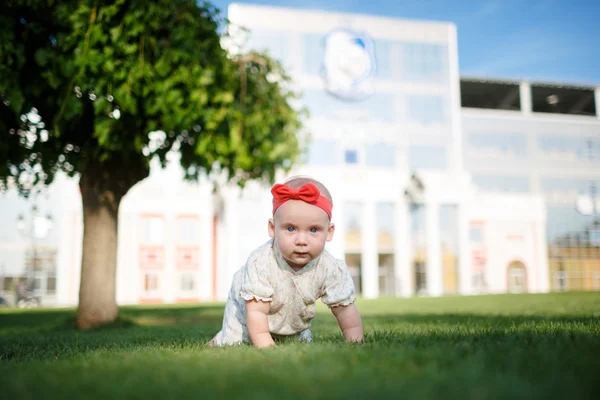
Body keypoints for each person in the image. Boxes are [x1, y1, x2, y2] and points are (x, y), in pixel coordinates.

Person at [209, 176, 364, 348]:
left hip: (292, 317)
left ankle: (290, 334)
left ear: (329, 232)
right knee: (235, 341)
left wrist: (355, 342)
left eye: (313, 229)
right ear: (273, 228)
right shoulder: (261, 262)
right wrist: (266, 346)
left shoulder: (330, 268)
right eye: (290, 228)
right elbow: (256, 312)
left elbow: (345, 311)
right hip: (247, 311)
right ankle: (217, 341)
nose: (301, 240)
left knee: (295, 341)